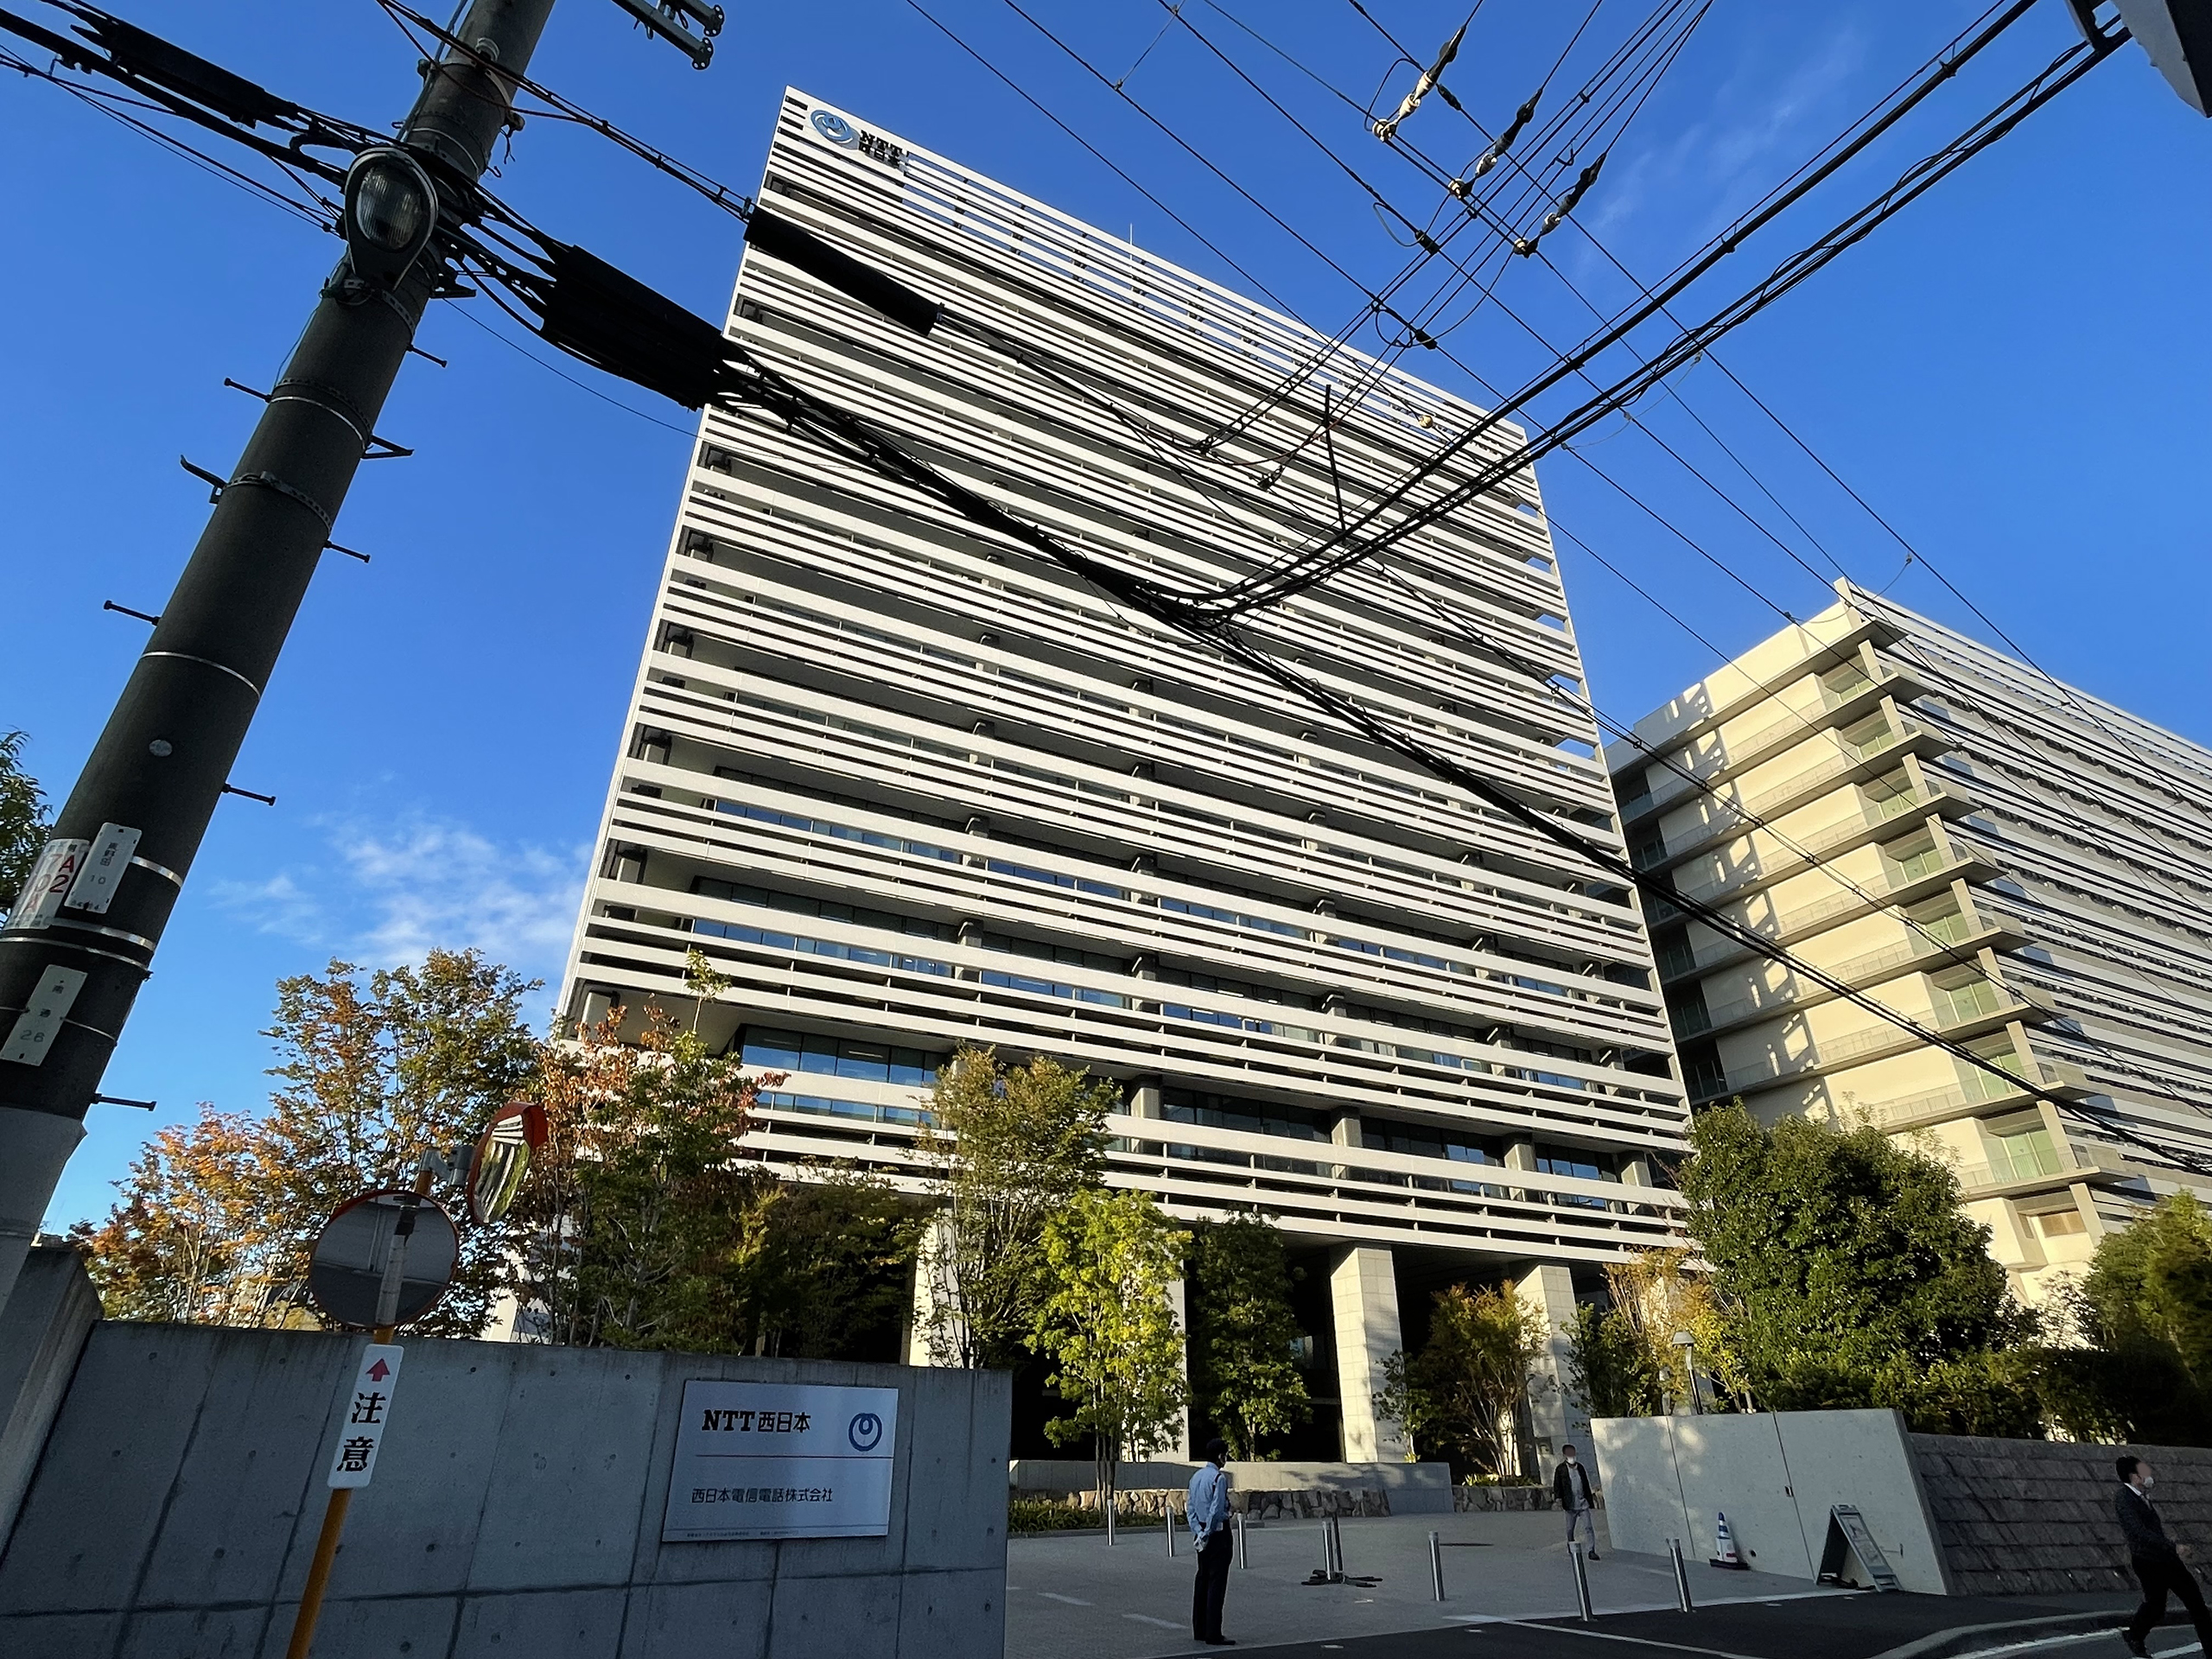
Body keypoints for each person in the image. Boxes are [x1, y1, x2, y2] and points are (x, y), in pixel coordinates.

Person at [2116, 1454, 2212, 1658]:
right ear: (2134, 1476)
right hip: (2148, 1561)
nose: (2148, 1473)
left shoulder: (2142, 1496)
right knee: (2156, 1605)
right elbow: (2138, 1532)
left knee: (2196, 1603)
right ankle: (2134, 1634)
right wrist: (2173, 1547)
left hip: (2166, 1559)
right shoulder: (2124, 1499)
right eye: (2143, 1470)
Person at [1188, 1437, 1236, 1647]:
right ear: (1220, 1456)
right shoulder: (1219, 1478)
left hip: (1199, 1532)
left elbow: (1189, 1508)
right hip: (1217, 1533)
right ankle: (1213, 1632)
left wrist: (1199, 1532)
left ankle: (1199, 1628)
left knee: (1202, 1579)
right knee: (1217, 1583)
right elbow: (1217, 1510)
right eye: (1225, 1454)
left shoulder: (1196, 1477)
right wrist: (1208, 1531)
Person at [1554, 1443, 1599, 1560]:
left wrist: (1590, 1499)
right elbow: (1557, 1485)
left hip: (1583, 1504)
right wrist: (1558, 1498)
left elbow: (1586, 1484)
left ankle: (1591, 1550)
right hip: (1570, 1504)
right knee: (1570, 1529)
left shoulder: (1580, 1467)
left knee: (1588, 1527)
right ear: (1564, 1455)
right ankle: (1571, 1546)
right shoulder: (1561, 1469)